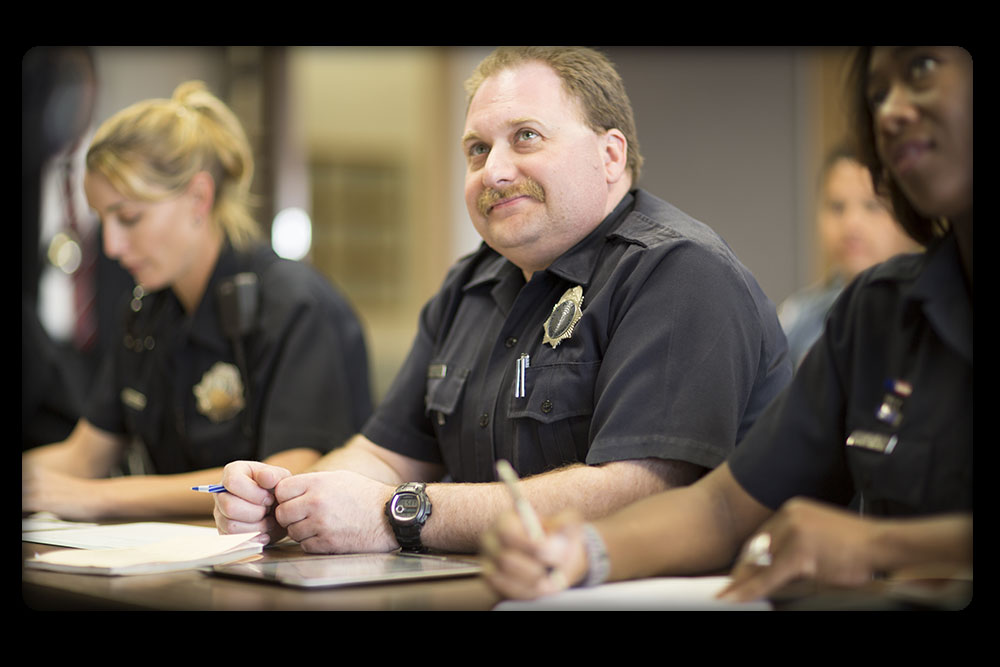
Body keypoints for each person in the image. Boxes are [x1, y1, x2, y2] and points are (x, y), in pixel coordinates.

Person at [214, 47, 791, 555]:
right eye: (476, 149)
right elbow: (383, 457)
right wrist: (289, 501)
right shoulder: (470, 286)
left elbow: (638, 492)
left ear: (610, 155)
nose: (494, 170)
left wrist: (400, 514)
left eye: (526, 137)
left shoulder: (677, 271)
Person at [480, 46, 973, 603]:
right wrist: (580, 551)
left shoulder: (678, 266)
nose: (892, 111)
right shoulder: (880, 313)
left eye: (923, 70)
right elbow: (724, 505)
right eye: (878, 94)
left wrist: (880, 546)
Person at [22, 81, 373, 521]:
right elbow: (83, 456)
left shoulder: (297, 306)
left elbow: (287, 476)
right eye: (103, 220)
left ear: (198, 197)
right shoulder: (146, 312)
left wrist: (94, 497)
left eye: (129, 217)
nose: (111, 245)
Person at [779, 145, 920, 367]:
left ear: (911, 214)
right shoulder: (799, 316)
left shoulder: (934, 313)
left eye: (873, 206)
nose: (851, 224)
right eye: (837, 207)